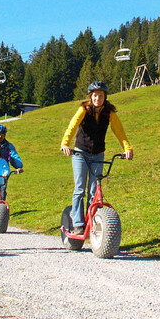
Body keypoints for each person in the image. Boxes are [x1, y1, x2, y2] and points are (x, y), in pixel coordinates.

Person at [60, 81, 134, 234]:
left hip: (98, 154)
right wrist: (65, 143)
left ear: (105, 97)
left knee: (95, 191)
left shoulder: (109, 112)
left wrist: (127, 148)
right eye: (95, 95)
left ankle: (94, 223)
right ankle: (79, 224)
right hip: (81, 152)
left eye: (101, 95)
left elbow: (119, 131)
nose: (97, 98)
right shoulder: (84, 109)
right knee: (80, 189)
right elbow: (73, 126)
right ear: (90, 96)